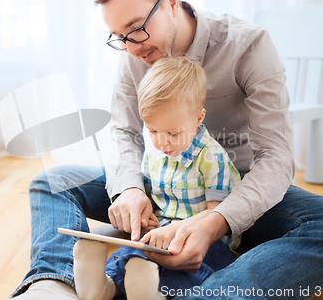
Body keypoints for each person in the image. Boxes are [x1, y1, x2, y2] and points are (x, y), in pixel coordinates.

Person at [11, 0, 323, 299]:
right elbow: (123, 131)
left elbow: (276, 158)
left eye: (136, 28)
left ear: (170, 3)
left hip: (236, 189)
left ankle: (204, 294)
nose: (133, 47)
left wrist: (214, 224)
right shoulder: (135, 53)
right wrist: (130, 188)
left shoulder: (248, 45)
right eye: (120, 38)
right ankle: (53, 285)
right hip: (160, 181)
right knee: (51, 181)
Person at [72, 56, 241, 300]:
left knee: (185, 265)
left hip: (204, 236)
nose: (162, 141)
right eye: (152, 131)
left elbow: (218, 214)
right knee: (134, 253)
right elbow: (154, 197)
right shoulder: (156, 153)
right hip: (163, 230)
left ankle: (152, 292)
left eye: (173, 133)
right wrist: (147, 216)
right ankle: (107, 285)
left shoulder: (213, 158)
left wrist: (175, 229)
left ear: (198, 118)